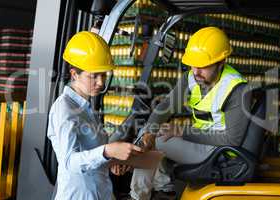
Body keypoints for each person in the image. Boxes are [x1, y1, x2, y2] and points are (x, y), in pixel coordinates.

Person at [128, 27, 252, 200]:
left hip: (220, 152)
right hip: (197, 140)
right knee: (148, 133)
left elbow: (231, 140)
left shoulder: (237, 89)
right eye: (193, 64)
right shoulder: (191, 77)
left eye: (203, 66)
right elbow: (167, 105)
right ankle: (165, 189)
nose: (196, 71)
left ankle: (138, 196)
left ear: (221, 62)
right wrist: (148, 131)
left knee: (157, 142)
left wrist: (181, 132)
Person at [47, 31, 143, 200]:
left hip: (101, 192)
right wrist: (108, 151)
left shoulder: (86, 108)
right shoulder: (64, 109)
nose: (101, 82)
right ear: (74, 74)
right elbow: (69, 162)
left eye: (104, 75)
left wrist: (114, 161)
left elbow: (91, 155)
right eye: (94, 76)